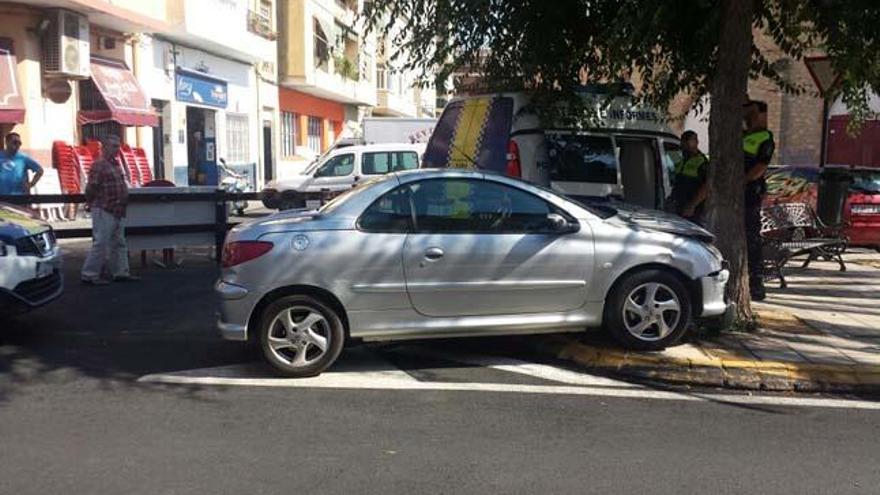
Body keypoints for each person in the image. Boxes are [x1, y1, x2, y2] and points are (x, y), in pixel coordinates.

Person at [80, 135, 139, 285]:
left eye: (118, 146)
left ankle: (120, 272)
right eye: (113, 146)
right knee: (101, 243)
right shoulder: (99, 165)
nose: (116, 149)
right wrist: (90, 202)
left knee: (119, 242)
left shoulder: (116, 164)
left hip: (117, 209)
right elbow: (91, 187)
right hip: (104, 208)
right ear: (104, 147)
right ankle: (89, 275)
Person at [743, 100, 775, 301]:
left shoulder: (765, 138)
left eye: (752, 113)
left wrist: (741, 182)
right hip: (740, 190)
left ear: (762, 114)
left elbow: (761, 167)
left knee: (751, 236)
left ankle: (756, 282)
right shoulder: (745, 134)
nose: (748, 118)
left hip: (750, 191)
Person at [670, 130, 710, 224]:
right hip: (679, 206)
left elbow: (707, 186)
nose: (684, 145)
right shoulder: (683, 161)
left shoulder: (701, 162)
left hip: (693, 211)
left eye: (688, 141)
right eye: (683, 142)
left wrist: (692, 205)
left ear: (695, 142)